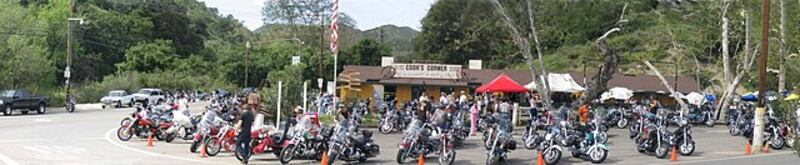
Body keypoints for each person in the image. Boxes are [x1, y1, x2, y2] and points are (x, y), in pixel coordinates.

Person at [235, 99, 255, 164]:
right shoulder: (251, 115)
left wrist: (236, 128)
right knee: (246, 145)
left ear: (243, 108)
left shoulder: (243, 114)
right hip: (249, 132)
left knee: (238, 144)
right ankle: (245, 160)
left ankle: (244, 156)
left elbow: (240, 123)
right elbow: (252, 124)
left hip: (243, 132)